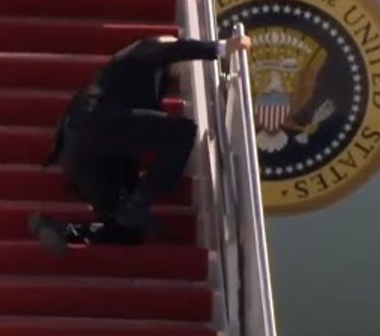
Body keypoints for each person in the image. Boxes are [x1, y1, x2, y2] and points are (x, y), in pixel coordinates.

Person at [29, 34, 252, 254]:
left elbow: (140, 130)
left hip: (88, 155)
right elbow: (174, 50)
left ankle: (65, 231)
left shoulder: (144, 84)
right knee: (182, 131)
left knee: (129, 229)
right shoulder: (142, 50)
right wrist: (222, 47)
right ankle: (138, 202)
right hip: (96, 126)